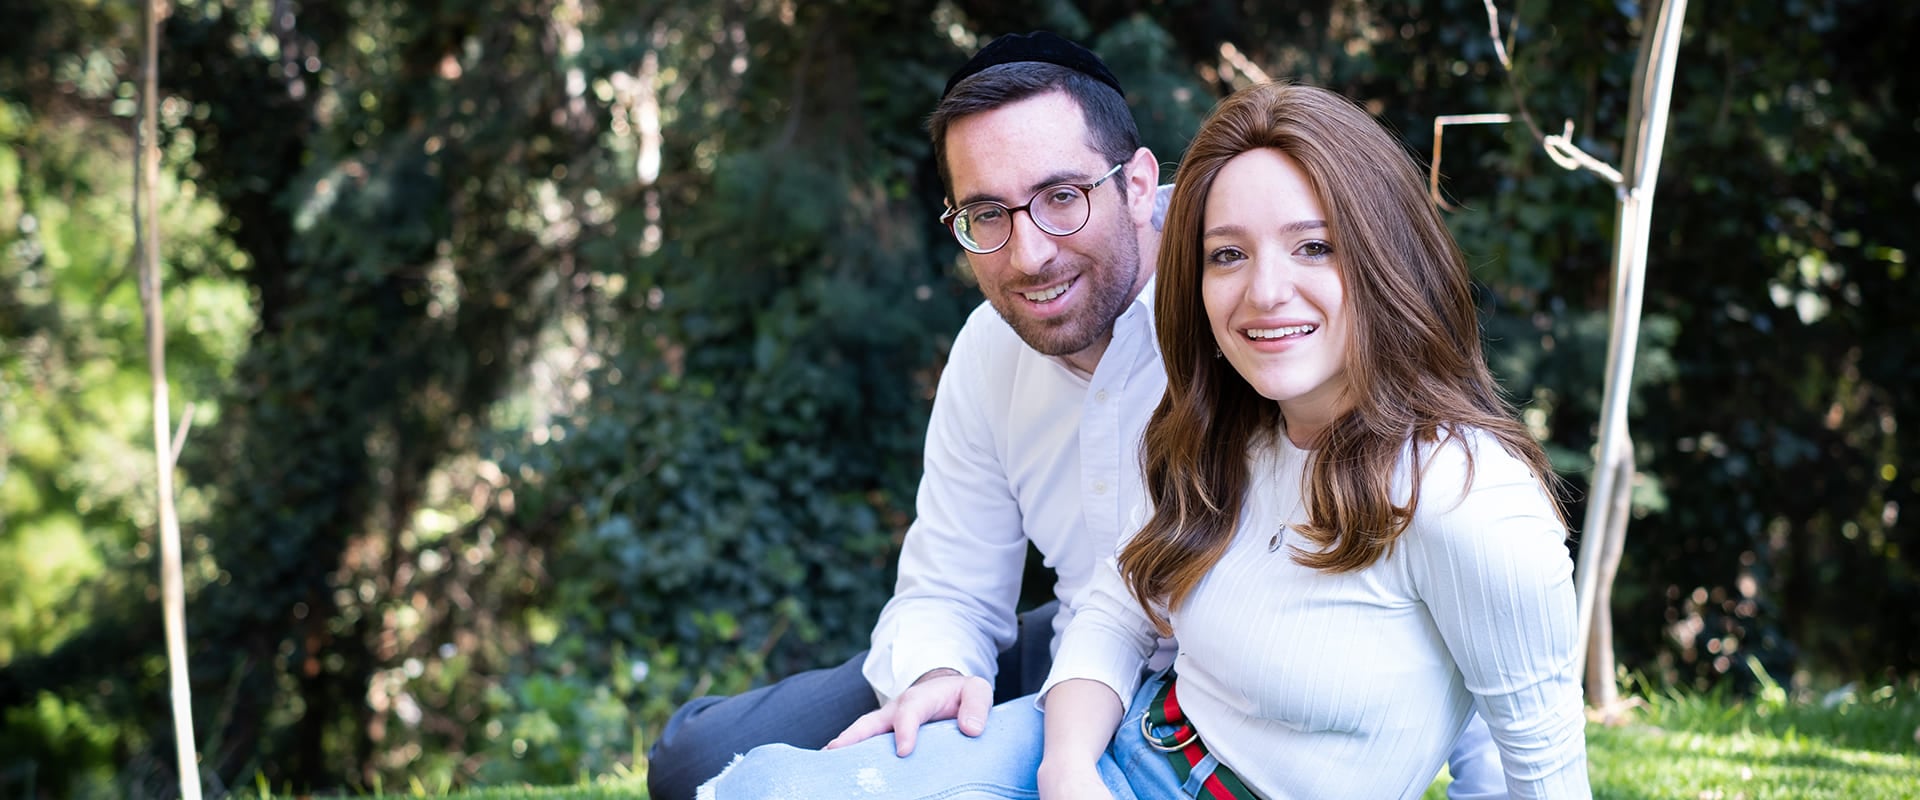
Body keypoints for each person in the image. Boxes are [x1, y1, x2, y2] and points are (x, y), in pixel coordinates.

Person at [656, 33, 1505, 800]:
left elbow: (1436, 532)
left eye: (1061, 196)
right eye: (987, 214)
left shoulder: (1252, 302)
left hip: (1230, 681)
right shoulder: (988, 350)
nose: (1029, 254)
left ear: (1138, 183)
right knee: (698, 766)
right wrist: (940, 673)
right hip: (1073, 641)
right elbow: (952, 584)